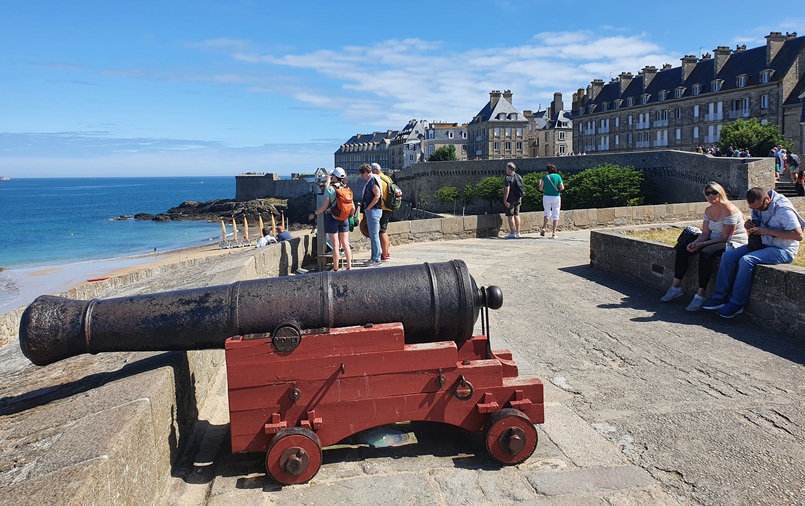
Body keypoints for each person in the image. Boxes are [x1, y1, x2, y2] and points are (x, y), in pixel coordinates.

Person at [703, 187, 805, 318]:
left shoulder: (783, 210)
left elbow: (798, 235)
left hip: (782, 249)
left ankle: (737, 303)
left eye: (759, 208)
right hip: (761, 244)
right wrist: (749, 226)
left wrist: (767, 231)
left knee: (747, 260)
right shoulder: (758, 206)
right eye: (753, 209)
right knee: (728, 256)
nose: (757, 211)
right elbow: (758, 224)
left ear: (767, 199)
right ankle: (720, 297)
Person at [660, 182, 748, 311]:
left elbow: (726, 237)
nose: (711, 195)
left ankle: (700, 296)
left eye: (714, 192)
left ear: (721, 193)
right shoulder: (708, 210)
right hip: (714, 238)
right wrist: (695, 243)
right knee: (683, 248)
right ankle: (675, 287)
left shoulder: (729, 210)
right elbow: (706, 233)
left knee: (706, 253)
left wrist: (702, 244)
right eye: (708, 193)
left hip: (733, 241)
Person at [308, 167, 353, 271]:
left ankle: (336, 268)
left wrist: (314, 213)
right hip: (344, 217)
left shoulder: (330, 189)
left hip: (332, 218)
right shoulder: (347, 188)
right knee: (345, 243)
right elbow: (353, 207)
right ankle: (349, 266)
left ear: (334, 177)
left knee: (336, 245)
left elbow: (324, 207)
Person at [359, 163, 382, 267]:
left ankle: (376, 259)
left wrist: (369, 207)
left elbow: (377, 195)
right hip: (373, 210)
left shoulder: (373, 180)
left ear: (365, 172)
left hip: (374, 210)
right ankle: (374, 258)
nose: (362, 176)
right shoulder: (372, 180)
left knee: (374, 236)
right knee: (373, 236)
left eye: (362, 174)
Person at [371, 162, 393, 261]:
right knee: (384, 230)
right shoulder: (388, 178)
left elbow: (377, 195)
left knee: (381, 232)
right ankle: (386, 253)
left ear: (374, 171)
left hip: (381, 208)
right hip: (389, 207)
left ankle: (384, 255)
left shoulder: (377, 179)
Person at [539, 164, 565, 238]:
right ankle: (554, 233)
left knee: (547, 212)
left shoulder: (545, 177)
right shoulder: (558, 176)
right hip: (556, 197)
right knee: (555, 214)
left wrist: (539, 184)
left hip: (546, 196)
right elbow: (562, 187)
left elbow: (540, 188)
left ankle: (544, 228)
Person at [502, 162, 524, 238]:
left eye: (506, 169)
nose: (506, 170)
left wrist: (505, 200)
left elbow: (507, 189)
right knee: (516, 215)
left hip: (511, 199)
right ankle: (518, 232)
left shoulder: (508, 178)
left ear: (509, 169)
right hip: (518, 198)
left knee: (510, 215)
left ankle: (512, 233)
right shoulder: (519, 176)